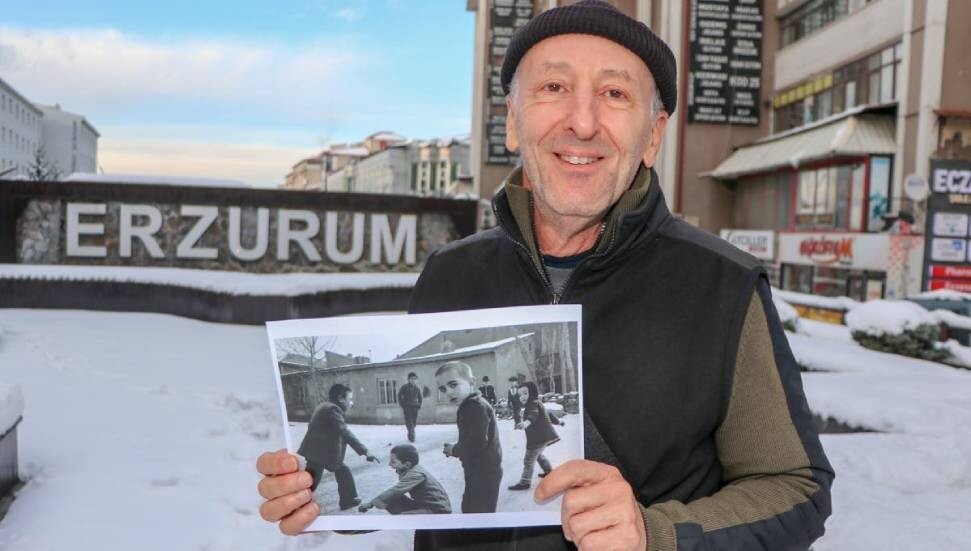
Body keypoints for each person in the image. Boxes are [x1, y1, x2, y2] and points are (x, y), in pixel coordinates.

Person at [257, 1, 833, 549]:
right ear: (512, 122)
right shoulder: (450, 273)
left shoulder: (722, 286)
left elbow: (795, 490)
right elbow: (440, 511)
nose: (582, 122)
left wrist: (655, 535)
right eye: (554, 88)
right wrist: (319, 497)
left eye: (614, 94)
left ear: (653, 135)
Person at [296, 383, 379, 511]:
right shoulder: (333, 410)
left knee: (337, 472)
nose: (351, 403)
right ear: (340, 398)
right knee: (312, 480)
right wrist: (365, 451)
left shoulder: (325, 406)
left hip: (318, 450)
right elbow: (344, 432)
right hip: (319, 452)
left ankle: (348, 500)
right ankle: (296, 503)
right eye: (349, 399)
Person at [437, 360, 503, 514]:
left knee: (476, 513)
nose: (449, 392)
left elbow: (477, 442)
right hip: (481, 470)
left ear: (472, 382)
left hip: (483, 472)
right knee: (472, 509)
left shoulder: (474, 406)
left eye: (453, 385)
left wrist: (454, 450)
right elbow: (475, 436)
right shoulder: (472, 404)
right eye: (443, 389)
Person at [358, 444, 452, 515]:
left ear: (407, 464)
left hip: (437, 511)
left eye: (393, 462)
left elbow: (396, 490)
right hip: (425, 505)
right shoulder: (410, 469)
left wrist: (371, 504)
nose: (389, 464)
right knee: (392, 499)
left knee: (401, 517)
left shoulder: (416, 474)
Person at [508, 381, 565, 491]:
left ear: (532, 392)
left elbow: (533, 415)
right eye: (520, 395)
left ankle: (525, 482)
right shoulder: (537, 402)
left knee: (529, 459)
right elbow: (549, 414)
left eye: (525, 393)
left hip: (538, 438)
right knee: (538, 456)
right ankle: (549, 472)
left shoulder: (532, 404)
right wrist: (559, 422)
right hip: (543, 437)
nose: (522, 397)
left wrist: (526, 423)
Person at [397, 371, 423, 442]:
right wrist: (403, 405)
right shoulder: (404, 387)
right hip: (407, 407)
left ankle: (410, 434)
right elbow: (399, 396)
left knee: (414, 423)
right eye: (412, 379)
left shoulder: (417, 388)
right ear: (408, 379)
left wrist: (419, 405)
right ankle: (412, 436)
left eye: (414, 379)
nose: (413, 380)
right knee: (409, 422)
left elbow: (420, 398)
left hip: (415, 407)